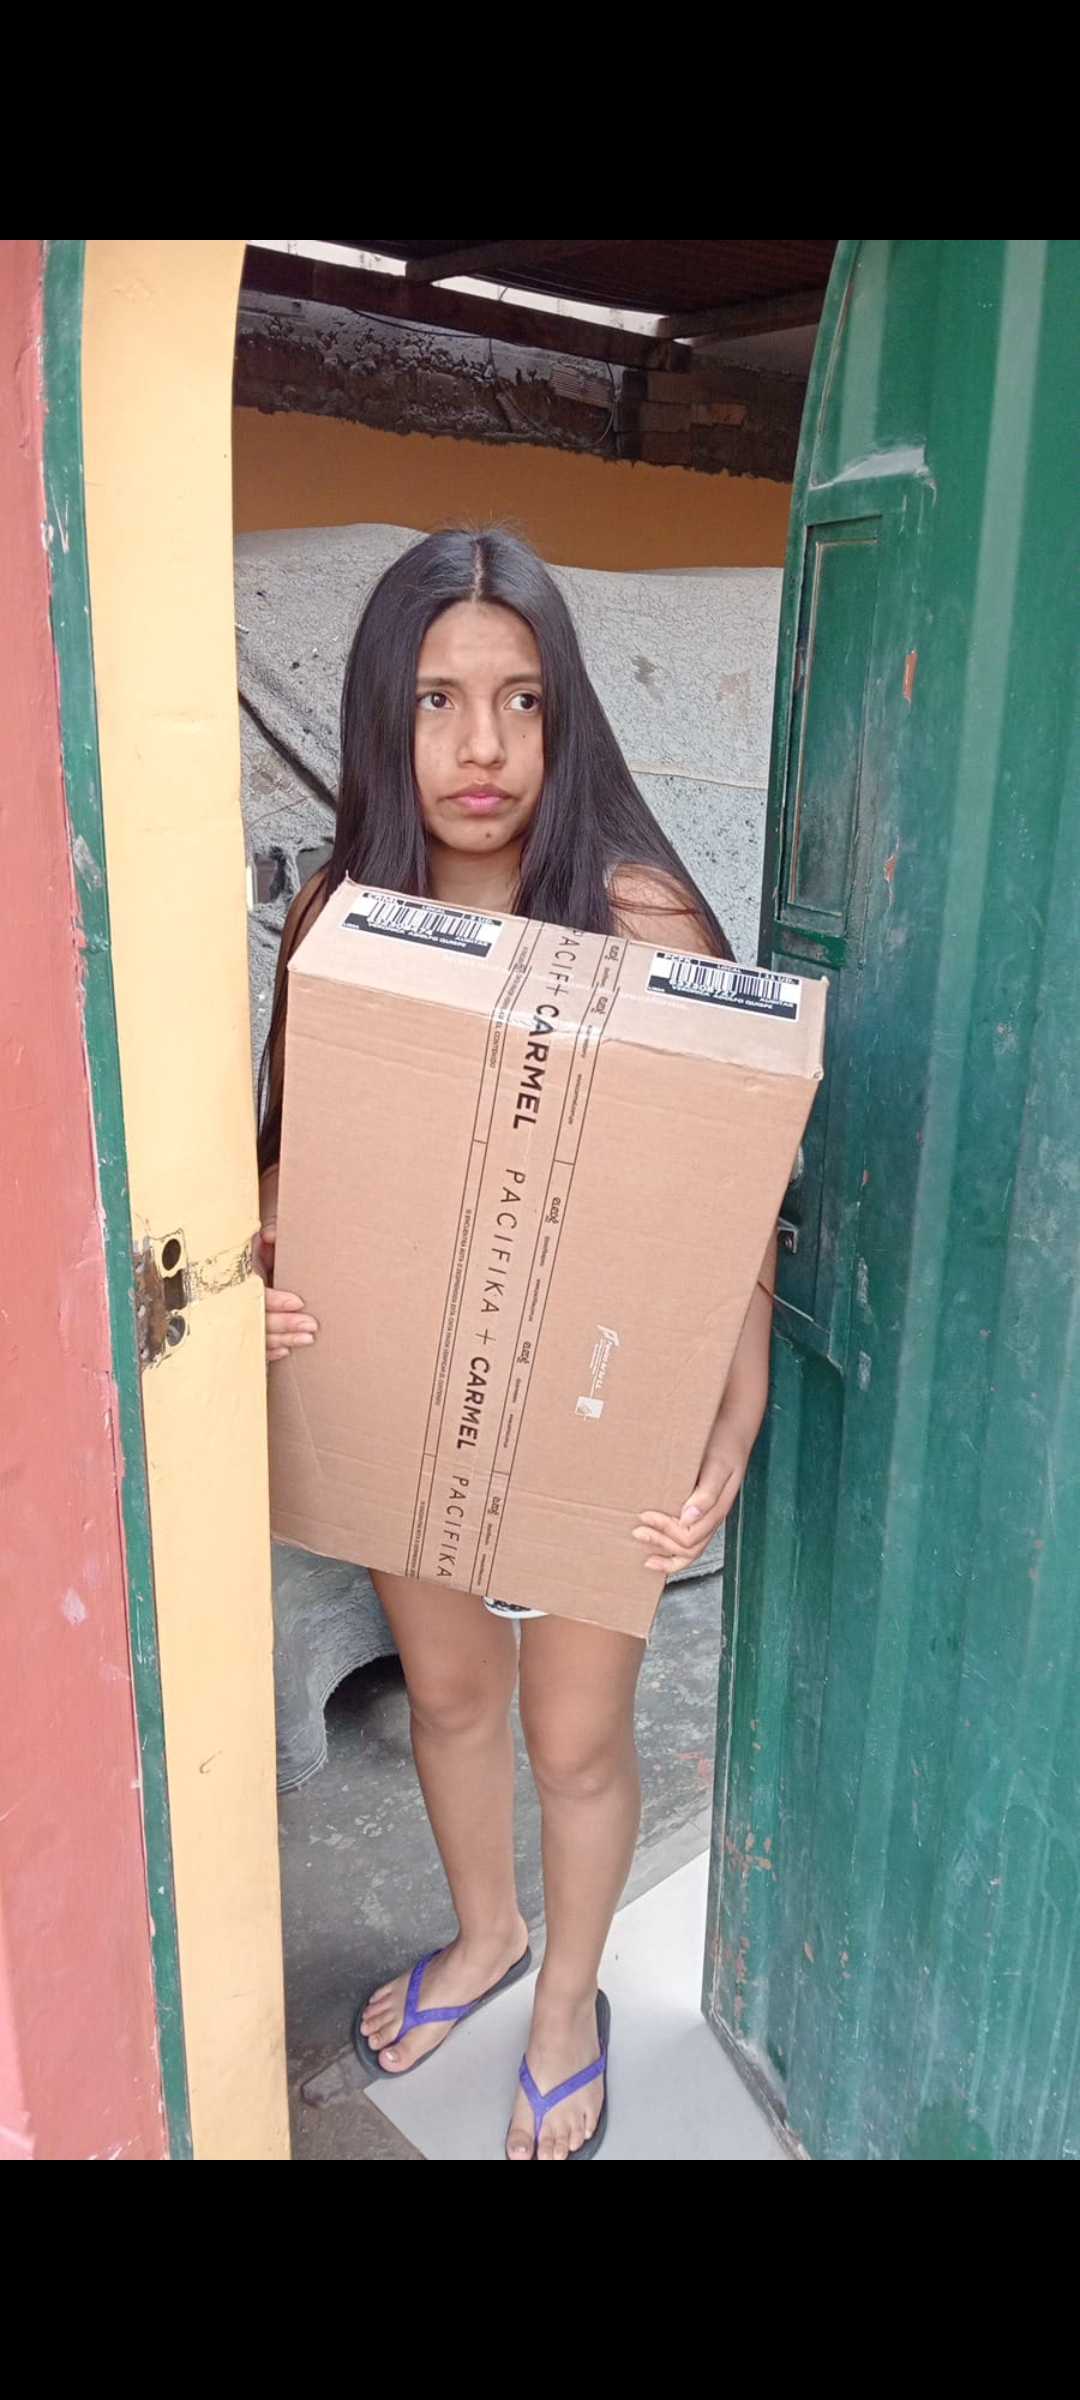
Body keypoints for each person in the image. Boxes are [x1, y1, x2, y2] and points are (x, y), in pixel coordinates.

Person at [256, 527, 775, 2160]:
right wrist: (265, 1268)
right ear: (382, 716)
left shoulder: (640, 915)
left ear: (567, 718)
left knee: (574, 1732)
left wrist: (733, 1416)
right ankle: (485, 1938)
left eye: (521, 700)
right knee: (453, 1696)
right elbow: (293, 1163)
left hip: (600, 1402)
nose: (480, 746)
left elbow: (728, 1205)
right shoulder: (347, 917)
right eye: (436, 700)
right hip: (412, 1387)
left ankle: (566, 2001)